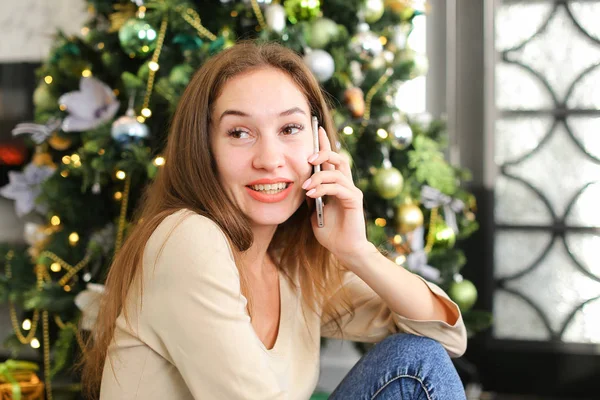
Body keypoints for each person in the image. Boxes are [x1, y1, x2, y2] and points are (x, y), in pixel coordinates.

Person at [81, 40, 468, 400]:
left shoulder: (291, 264)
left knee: (416, 359)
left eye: (289, 129)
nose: (269, 159)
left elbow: (444, 337)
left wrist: (358, 251)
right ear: (205, 149)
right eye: (239, 132)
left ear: (319, 144)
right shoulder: (186, 239)